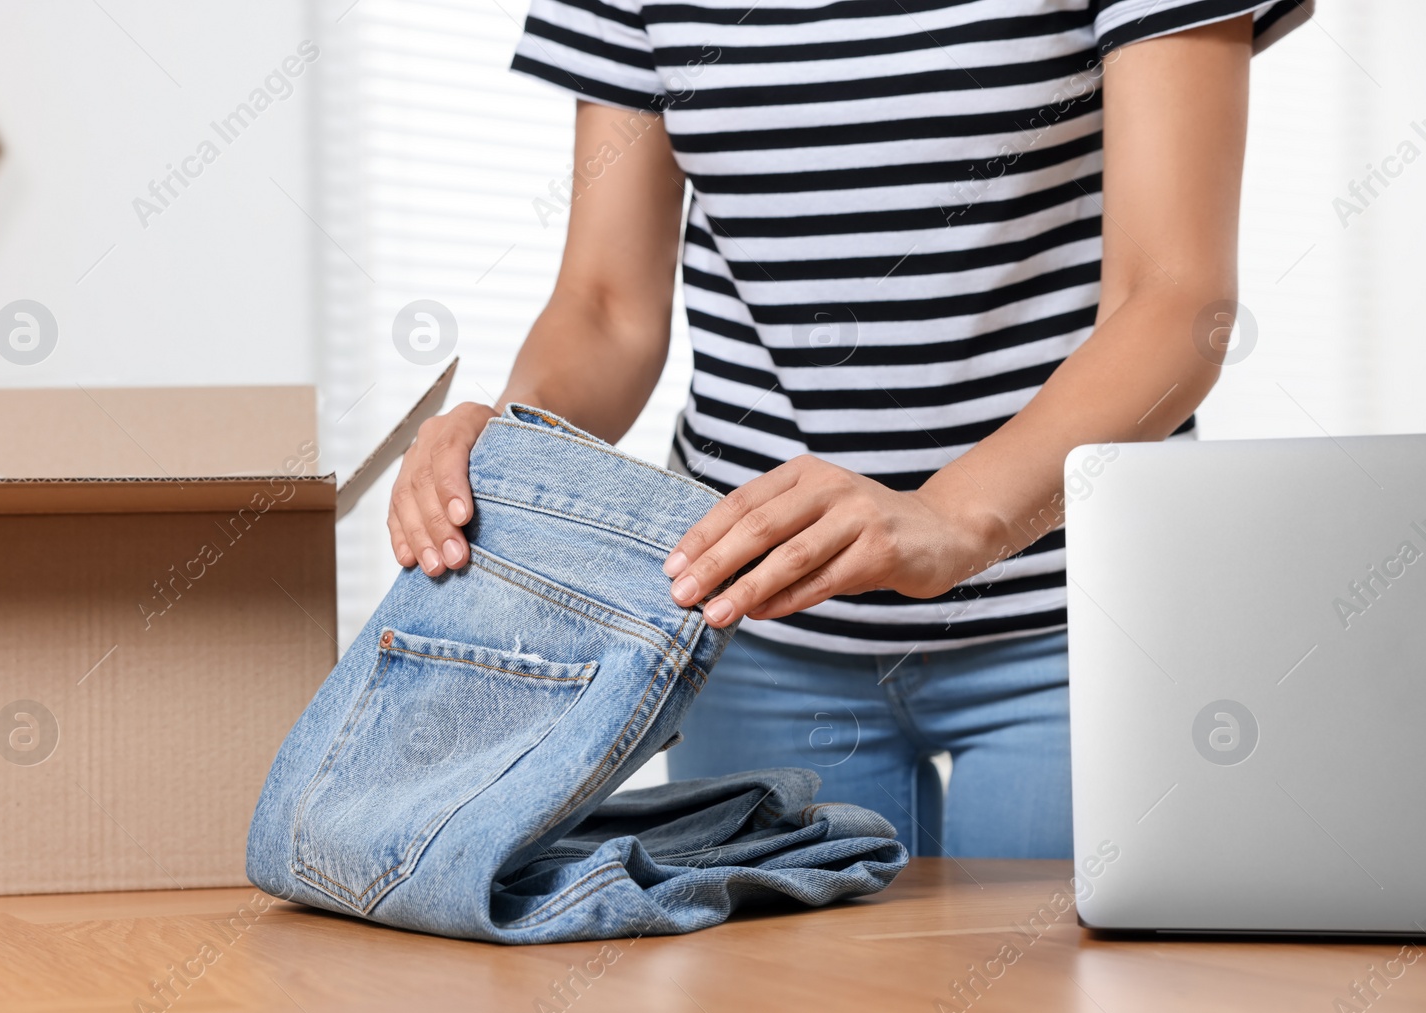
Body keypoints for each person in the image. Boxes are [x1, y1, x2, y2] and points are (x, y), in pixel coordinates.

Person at [387, 0, 1310, 859]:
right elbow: (607, 308)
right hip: (754, 618)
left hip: (1078, 619)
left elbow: (1175, 299)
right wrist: (514, 442)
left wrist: (954, 517)